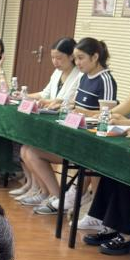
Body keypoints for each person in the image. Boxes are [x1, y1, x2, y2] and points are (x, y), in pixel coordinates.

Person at [74, 48, 130, 254]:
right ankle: (105, 223)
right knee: (111, 169)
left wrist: (123, 121)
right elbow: (113, 112)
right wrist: (98, 115)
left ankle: (126, 234)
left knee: (126, 175)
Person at [19, 38, 115, 215]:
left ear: (95, 57)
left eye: (80, 58)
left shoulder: (105, 79)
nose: (77, 62)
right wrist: (66, 106)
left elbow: (106, 116)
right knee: (28, 150)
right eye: (76, 58)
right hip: (73, 138)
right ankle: (56, 196)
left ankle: (90, 209)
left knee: (91, 164)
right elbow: (74, 105)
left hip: (89, 144)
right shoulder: (84, 77)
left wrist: (78, 110)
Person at [11, 38, 80, 202]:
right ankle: (42, 191)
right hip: (49, 123)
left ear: (71, 56)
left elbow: (68, 102)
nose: (55, 62)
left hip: (64, 129)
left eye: (59, 58)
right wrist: (25, 96)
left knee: (31, 150)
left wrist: (48, 102)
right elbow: (45, 94)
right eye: (53, 58)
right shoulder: (57, 73)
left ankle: (54, 195)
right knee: (25, 148)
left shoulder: (79, 76)